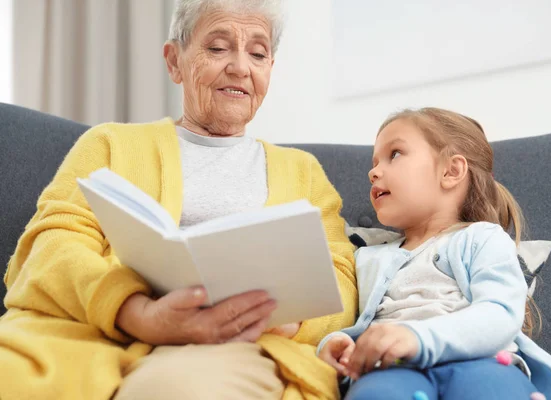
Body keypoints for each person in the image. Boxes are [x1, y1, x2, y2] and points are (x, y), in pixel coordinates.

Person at [0, 1, 357, 399]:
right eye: (218, 48)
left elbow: (339, 278)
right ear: (175, 62)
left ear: (269, 69)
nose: (240, 66)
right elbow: (50, 246)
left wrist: (286, 322)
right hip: (91, 335)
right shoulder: (111, 144)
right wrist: (136, 314)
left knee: (174, 389)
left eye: (257, 53)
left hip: (236, 346)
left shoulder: (303, 172)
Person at [317, 108, 551, 400]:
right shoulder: (365, 257)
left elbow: (500, 313)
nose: (373, 172)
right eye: (374, 163)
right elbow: (346, 322)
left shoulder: (480, 238)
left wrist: (417, 338)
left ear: (451, 171)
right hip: (391, 370)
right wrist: (335, 343)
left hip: (481, 363)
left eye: (395, 154)